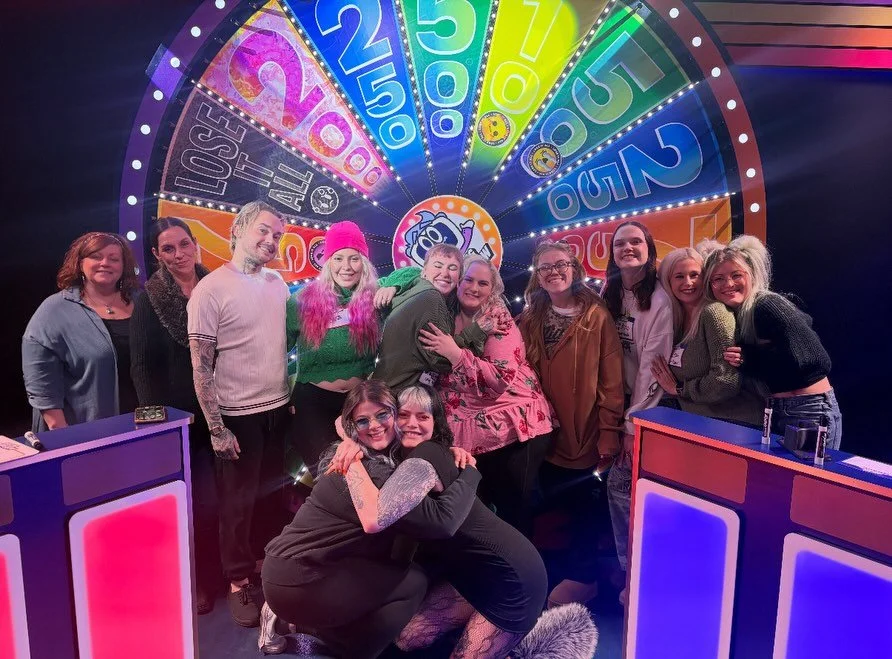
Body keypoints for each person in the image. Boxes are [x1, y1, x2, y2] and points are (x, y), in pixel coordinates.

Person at [261, 380, 482, 659]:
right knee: (413, 582)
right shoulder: (366, 469)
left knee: (388, 564)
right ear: (353, 426)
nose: (375, 425)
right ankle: (348, 650)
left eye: (383, 415)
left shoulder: (367, 457)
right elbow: (440, 522)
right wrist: (470, 473)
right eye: (363, 420)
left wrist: (450, 454)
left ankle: (298, 622)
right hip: (298, 579)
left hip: (299, 567)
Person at [328, 384, 548, 659]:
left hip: (512, 579)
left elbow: (378, 515)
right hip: (471, 576)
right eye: (404, 415)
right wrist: (350, 439)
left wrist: (350, 446)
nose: (412, 424)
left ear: (436, 423)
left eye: (423, 417)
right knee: (407, 638)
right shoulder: (407, 457)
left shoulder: (429, 455)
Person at [187, 201, 291, 627]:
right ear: (240, 229)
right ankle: (237, 582)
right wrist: (216, 428)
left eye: (278, 236)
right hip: (236, 417)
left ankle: (268, 570)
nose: (271, 241)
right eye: (264, 231)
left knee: (270, 496)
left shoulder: (278, 284)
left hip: (279, 409)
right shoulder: (210, 289)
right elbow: (200, 365)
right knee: (237, 505)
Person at [517, 239, 624, 606]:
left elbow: (612, 381)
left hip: (584, 432)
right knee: (545, 504)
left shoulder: (596, 316)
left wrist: (610, 430)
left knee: (584, 506)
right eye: (545, 267)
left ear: (575, 269)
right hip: (543, 432)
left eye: (561, 264)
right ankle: (548, 571)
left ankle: (585, 576)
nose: (553, 272)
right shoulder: (532, 314)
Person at [418, 254, 554, 536]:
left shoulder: (498, 319)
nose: (474, 288)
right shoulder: (443, 312)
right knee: (474, 516)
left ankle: (523, 575)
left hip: (514, 427)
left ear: (493, 290)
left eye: (483, 283)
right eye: (468, 280)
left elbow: (499, 379)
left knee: (514, 512)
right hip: (469, 435)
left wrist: (455, 354)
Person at [130, 217, 221, 614]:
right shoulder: (148, 299)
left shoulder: (216, 285)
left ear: (195, 244)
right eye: (169, 248)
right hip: (179, 418)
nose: (179, 254)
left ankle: (226, 574)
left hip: (222, 407)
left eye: (185, 244)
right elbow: (142, 367)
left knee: (224, 499)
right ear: (156, 255)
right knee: (193, 503)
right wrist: (158, 426)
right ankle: (197, 580)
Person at [285, 221, 418, 476]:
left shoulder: (372, 297)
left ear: (364, 262)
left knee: (368, 474)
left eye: (354, 259)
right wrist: (283, 397)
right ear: (328, 263)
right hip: (314, 403)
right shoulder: (302, 301)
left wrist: (393, 286)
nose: (346, 267)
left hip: (358, 404)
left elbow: (414, 273)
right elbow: (278, 350)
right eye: (338, 258)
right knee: (331, 476)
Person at [705, 235, 842, 447]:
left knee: (806, 480)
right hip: (781, 409)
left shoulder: (766, 305)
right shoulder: (740, 314)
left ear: (750, 275)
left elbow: (815, 360)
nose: (728, 284)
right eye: (718, 279)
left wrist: (749, 359)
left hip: (809, 410)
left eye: (736, 275)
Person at [601, 221, 673, 600]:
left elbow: (652, 368)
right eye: (620, 243)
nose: (627, 248)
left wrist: (632, 426)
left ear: (648, 248)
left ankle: (638, 579)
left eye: (635, 242)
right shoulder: (611, 292)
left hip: (644, 413)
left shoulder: (659, 300)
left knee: (623, 491)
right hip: (617, 406)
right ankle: (626, 571)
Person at [23, 231, 140, 432]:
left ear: (123, 266)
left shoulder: (140, 304)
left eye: (114, 259)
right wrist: (62, 433)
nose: (105, 263)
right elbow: (41, 381)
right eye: (96, 256)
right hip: (82, 434)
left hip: (141, 428)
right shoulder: (54, 310)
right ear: (80, 263)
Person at [650, 244, 763, 426]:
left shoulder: (714, 313)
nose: (688, 282)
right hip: (698, 421)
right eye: (680, 276)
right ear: (667, 282)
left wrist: (679, 389)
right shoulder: (674, 322)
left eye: (695, 275)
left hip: (734, 424)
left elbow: (726, 381)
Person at [372, 245, 488, 393]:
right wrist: (477, 332)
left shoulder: (415, 288)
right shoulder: (432, 298)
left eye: (452, 268)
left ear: (459, 276)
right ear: (424, 271)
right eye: (438, 265)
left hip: (384, 388)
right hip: (400, 396)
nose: (444, 273)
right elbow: (442, 361)